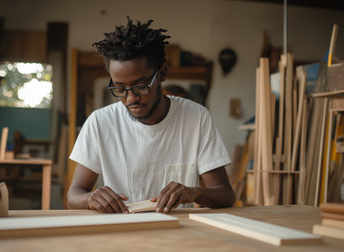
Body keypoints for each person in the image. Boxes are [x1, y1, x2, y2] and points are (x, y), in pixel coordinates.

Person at [67, 17, 235, 214]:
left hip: (178, 234)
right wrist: (90, 198)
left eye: (140, 86)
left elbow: (225, 195)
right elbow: (73, 196)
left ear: (162, 73)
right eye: (120, 89)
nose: (130, 98)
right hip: (120, 233)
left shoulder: (196, 118)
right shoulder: (100, 123)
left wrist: (194, 192)